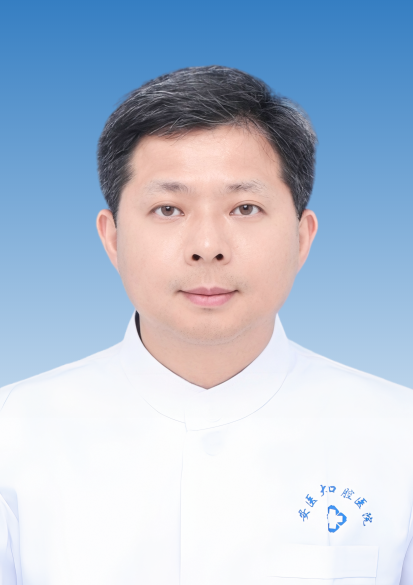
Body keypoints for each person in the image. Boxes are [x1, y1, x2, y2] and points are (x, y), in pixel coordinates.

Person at [0, 65, 412, 585]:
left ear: (301, 238)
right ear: (113, 238)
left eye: (245, 207)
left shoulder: (399, 435)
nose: (208, 246)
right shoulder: (13, 435)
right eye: (168, 209)